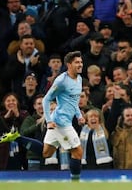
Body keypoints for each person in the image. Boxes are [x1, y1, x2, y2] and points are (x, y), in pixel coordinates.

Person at [42, 51, 86, 180]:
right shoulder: (61, 81)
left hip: (62, 120)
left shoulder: (79, 79)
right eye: (77, 62)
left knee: (46, 153)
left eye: (81, 62)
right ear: (69, 65)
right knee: (78, 152)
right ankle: (75, 183)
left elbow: (73, 101)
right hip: (61, 122)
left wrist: (78, 115)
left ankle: (17, 138)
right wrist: (49, 121)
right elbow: (46, 99)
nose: (80, 64)